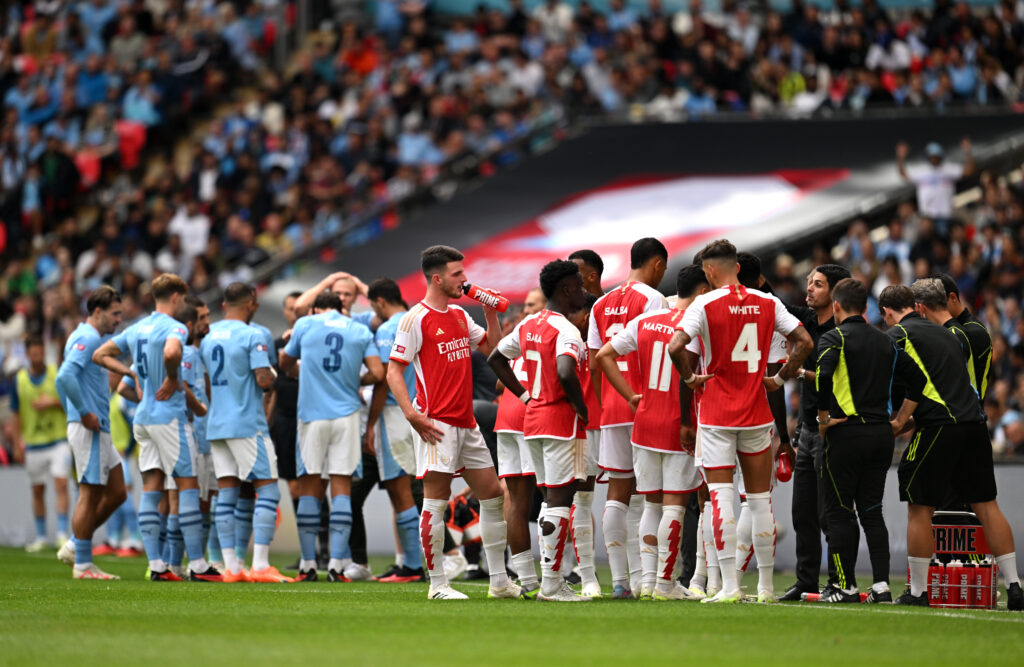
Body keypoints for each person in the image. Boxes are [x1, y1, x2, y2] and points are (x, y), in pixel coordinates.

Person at [668, 239, 813, 603]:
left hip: (717, 413)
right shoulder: (768, 302)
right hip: (756, 413)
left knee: (720, 498)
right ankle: (765, 588)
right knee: (760, 501)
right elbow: (804, 342)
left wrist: (689, 379)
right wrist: (780, 379)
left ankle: (729, 585)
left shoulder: (704, 303)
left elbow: (675, 347)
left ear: (711, 271)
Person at [387, 245, 519, 600]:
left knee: (491, 494)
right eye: (457, 274)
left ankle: (499, 582)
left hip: (466, 421)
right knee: (436, 499)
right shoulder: (415, 319)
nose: (465, 279)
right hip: (436, 423)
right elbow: (393, 371)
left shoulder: (460, 315)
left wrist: (491, 314)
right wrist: (412, 415)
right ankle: (438, 585)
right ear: (437, 278)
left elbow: (494, 349)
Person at [881, 283, 1021, 610]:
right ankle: (1015, 586)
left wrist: (900, 421)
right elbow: (951, 388)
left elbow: (917, 389)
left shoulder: (897, 336)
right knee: (987, 505)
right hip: (974, 424)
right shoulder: (951, 334)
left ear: (889, 312)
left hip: (941, 427)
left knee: (920, 505)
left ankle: (917, 591)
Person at [93, 275, 219, 582]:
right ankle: (199, 565)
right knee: (187, 486)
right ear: (176, 297)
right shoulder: (174, 327)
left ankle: (158, 565)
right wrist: (173, 378)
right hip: (170, 419)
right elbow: (172, 353)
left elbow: (100, 354)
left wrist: (130, 374)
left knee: (152, 488)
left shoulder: (137, 328)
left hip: (143, 419)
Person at [596, 264, 709, 601]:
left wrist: (630, 395)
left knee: (650, 504)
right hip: (679, 422)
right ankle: (665, 584)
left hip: (644, 422)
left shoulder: (644, 322)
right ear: (702, 292)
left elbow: (604, 355)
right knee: (674, 505)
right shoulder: (697, 326)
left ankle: (646, 582)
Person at [815, 278, 925, 603]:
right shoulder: (887, 342)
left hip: (846, 433)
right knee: (872, 512)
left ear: (836, 306)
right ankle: (881, 586)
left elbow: (823, 377)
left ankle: (844, 586)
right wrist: (901, 420)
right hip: (881, 436)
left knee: (838, 512)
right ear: (866, 308)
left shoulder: (833, 338)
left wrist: (822, 418)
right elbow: (919, 381)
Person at [489, 259, 590, 602]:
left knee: (548, 499)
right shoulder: (566, 330)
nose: (583, 291)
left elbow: (495, 359)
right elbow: (565, 371)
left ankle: (545, 580)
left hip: (532, 420)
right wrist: (580, 405)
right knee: (560, 500)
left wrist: (524, 395)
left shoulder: (529, 323)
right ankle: (551, 584)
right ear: (565, 289)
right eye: (578, 285)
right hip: (560, 421)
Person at [280, 292, 383, 582]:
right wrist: (354, 380)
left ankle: (308, 565)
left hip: (313, 415)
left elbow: (285, 361)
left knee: (310, 486)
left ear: (315, 308)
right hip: (347, 416)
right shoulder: (359, 330)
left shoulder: (306, 324)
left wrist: (299, 372)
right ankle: (337, 565)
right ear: (341, 308)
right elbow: (377, 372)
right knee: (341, 487)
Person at [588, 237, 669, 599]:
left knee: (618, 493)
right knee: (651, 494)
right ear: (657, 265)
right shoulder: (653, 300)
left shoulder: (601, 303)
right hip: (643, 403)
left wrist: (603, 404)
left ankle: (621, 581)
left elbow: (595, 360)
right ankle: (647, 580)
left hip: (611, 407)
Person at [199, 282, 292, 583]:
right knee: (268, 490)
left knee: (226, 494)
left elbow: (208, 381)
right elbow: (264, 379)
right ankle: (261, 564)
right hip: (247, 423)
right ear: (252, 302)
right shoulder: (255, 335)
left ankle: (232, 569)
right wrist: (275, 375)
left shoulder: (208, 336)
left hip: (218, 424)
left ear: (224, 305)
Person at [778, 262, 851, 602]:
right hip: (806, 429)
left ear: (836, 292)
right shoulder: (806, 320)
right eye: (809, 283)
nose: (809, 289)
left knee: (830, 513)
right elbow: (771, 302)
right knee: (802, 512)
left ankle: (839, 580)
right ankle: (806, 580)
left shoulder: (844, 330)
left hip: (832, 429)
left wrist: (798, 371)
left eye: (818, 284)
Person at [54, 286, 128, 579]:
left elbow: (63, 381)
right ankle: (82, 564)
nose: (119, 319)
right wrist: (82, 412)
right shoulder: (86, 337)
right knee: (89, 492)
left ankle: (75, 544)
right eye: (115, 313)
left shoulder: (84, 336)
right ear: (97, 312)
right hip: (91, 425)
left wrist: (75, 412)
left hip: (96, 425)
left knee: (118, 492)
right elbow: (64, 376)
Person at [364, 277, 425, 583]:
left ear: (379, 303)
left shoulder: (389, 329)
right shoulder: (419, 318)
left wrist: (370, 425)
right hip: (423, 409)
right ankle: (415, 561)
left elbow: (384, 379)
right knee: (422, 491)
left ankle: (412, 566)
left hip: (396, 413)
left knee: (400, 492)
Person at [488, 286, 546, 597]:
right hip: (531, 416)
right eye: (527, 305)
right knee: (558, 497)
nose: (527, 310)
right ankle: (557, 577)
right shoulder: (555, 328)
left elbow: (499, 380)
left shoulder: (522, 330)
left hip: (506, 416)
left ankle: (527, 581)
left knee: (517, 504)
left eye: (533, 304)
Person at [13, 336, 71, 551]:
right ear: (27, 354)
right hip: (33, 442)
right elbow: (15, 414)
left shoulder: (57, 374)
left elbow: (71, 403)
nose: (38, 357)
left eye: (40, 353)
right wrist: (18, 441)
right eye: (34, 354)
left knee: (61, 485)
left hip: (58, 440)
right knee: (37, 489)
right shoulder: (20, 379)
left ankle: (62, 533)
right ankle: (41, 536)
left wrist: (53, 402)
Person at [567, 291, 602, 597]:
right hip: (584, 429)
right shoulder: (569, 343)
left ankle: (637, 577)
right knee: (582, 499)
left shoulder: (605, 342)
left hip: (615, 425)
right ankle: (586, 575)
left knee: (635, 499)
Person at [181, 295, 217, 568]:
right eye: (202, 318)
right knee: (187, 499)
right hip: (193, 434)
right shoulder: (185, 353)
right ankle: (180, 560)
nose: (208, 323)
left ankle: (200, 560)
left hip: (210, 435)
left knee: (206, 501)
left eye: (208, 317)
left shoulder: (208, 349)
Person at [931, 272, 992, 401]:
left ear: (953, 298)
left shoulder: (975, 331)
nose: (934, 312)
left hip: (971, 414)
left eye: (938, 305)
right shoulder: (952, 328)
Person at [896, 139, 974, 233]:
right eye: (931, 156)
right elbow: (903, 174)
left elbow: (970, 171)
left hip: (945, 215)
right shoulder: (922, 171)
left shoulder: (948, 169)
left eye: (935, 156)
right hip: (927, 219)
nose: (933, 158)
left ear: (940, 156)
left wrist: (968, 151)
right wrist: (900, 157)